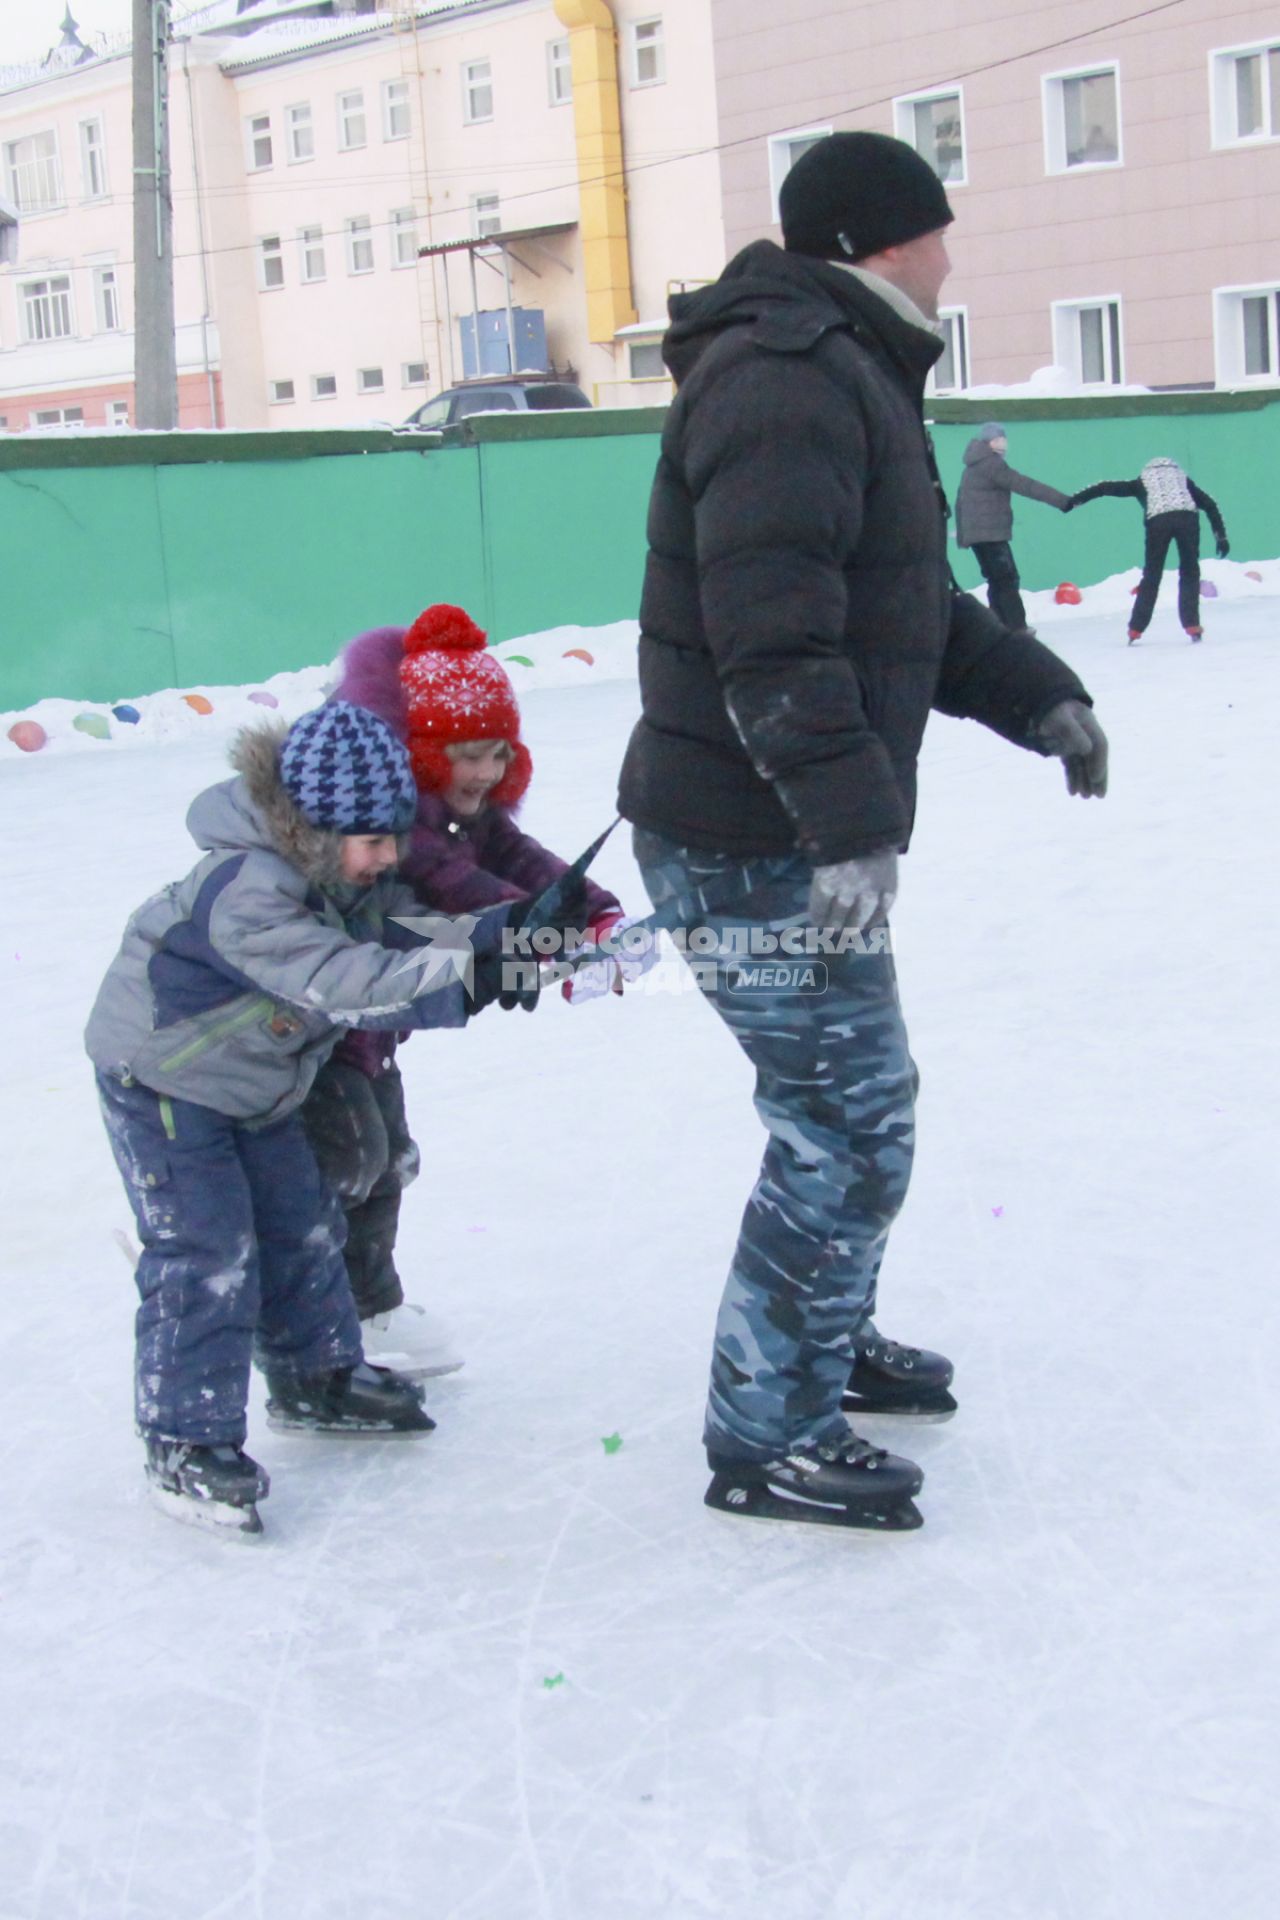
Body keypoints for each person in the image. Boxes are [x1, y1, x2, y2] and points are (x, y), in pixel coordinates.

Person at [616, 130, 1110, 1534]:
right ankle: (768, 1427)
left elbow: (898, 607)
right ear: (874, 240)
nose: (951, 256)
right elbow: (772, 638)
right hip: (748, 834)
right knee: (847, 1124)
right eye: (936, 230)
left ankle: (818, 1335)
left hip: (777, 823)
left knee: (851, 1112)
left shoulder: (842, 368)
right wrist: (844, 829)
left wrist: (1042, 699)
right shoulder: (786, 378)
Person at [86, 700, 533, 1537]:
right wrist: (471, 980)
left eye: (394, 836)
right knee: (208, 1251)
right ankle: (185, 1439)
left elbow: (404, 931)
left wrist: (511, 933)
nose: (388, 856)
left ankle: (313, 1376)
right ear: (314, 831)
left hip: (260, 1084)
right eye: (371, 842)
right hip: (169, 1085)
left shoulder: (343, 873)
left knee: (303, 1224)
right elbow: (345, 978)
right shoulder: (249, 890)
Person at [303, 603, 654, 1376]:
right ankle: (291, 1294)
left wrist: (593, 910)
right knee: (348, 1160)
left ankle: (371, 1307)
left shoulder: (470, 811)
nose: (484, 774)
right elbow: (452, 881)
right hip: (323, 1024)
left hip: (379, 1025)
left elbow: (521, 858)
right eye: (465, 754)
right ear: (422, 753)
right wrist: (540, 930)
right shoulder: (397, 823)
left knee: (390, 1159)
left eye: (498, 754)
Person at [1066, 457, 1229, 642]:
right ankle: (1192, 625)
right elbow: (1210, 504)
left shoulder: (1142, 482)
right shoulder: (1183, 481)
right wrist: (1220, 536)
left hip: (1158, 522)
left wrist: (1074, 500)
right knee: (1190, 571)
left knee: (1152, 574)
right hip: (1187, 518)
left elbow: (1104, 487)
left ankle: (1136, 628)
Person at [954, 422, 1071, 631]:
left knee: (997, 580)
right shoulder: (991, 464)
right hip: (989, 534)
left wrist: (965, 535)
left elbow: (961, 502)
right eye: (999, 439)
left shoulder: (973, 465)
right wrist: (1062, 500)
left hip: (979, 535)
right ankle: (1016, 628)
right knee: (1006, 579)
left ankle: (998, 628)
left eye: (1003, 438)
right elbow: (1024, 484)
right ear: (989, 442)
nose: (1003, 443)